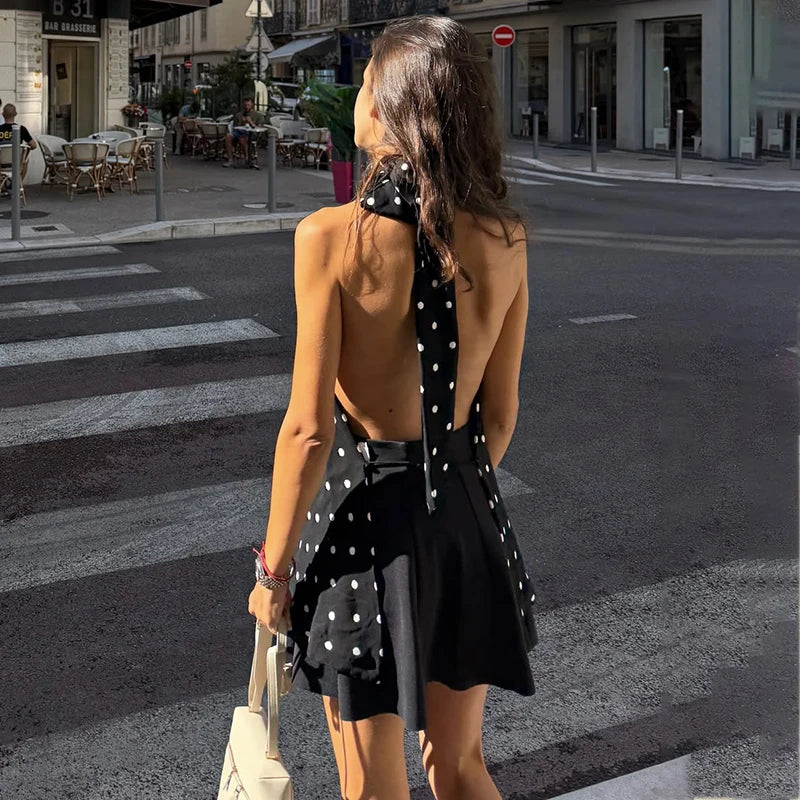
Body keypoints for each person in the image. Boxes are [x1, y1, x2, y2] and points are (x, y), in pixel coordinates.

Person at [248, 15, 538, 800]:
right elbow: (499, 417)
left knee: (374, 783)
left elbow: (307, 430)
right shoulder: (506, 239)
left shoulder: (329, 239)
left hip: (363, 525)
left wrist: (273, 571)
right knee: (461, 764)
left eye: (366, 83)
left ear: (385, 105)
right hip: (465, 517)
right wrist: (442, 494)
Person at [224, 96, 264, 167]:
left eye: (248, 105)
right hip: (239, 132)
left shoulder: (258, 115)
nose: (246, 107)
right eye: (245, 105)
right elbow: (235, 127)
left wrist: (250, 122)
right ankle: (230, 159)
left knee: (242, 139)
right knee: (228, 136)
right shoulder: (239, 114)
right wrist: (240, 121)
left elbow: (259, 127)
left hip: (251, 133)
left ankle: (247, 158)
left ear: (252, 105)